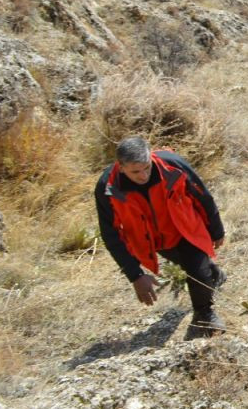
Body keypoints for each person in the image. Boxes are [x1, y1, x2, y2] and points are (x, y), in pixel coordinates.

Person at [94, 136, 226, 339]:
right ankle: (213, 274)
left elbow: (203, 195)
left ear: (151, 157)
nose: (143, 175)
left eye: (147, 167)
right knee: (196, 268)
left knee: (197, 272)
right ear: (121, 167)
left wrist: (216, 230)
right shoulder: (107, 187)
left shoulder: (173, 166)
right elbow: (110, 235)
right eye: (135, 171)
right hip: (152, 240)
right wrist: (135, 275)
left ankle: (204, 314)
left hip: (185, 230)